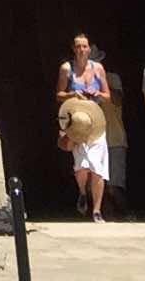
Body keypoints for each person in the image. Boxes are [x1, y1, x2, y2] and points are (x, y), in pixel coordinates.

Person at [55, 32, 114, 221]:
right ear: (73, 49)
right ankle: (82, 191)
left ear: (89, 49)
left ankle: (96, 210)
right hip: (76, 121)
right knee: (81, 166)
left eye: (84, 46)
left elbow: (107, 96)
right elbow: (59, 94)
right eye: (78, 46)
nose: (81, 50)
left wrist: (96, 91)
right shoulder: (66, 69)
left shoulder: (98, 69)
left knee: (98, 167)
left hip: (95, 122)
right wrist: (73, 94)